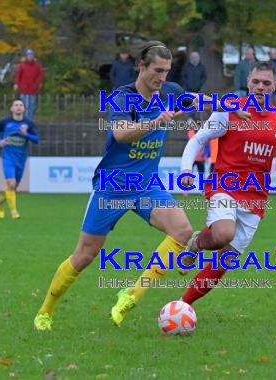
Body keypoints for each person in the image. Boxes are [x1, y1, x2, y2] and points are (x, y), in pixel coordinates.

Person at [34, 41, 196, 331]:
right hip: (112, 187)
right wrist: (156, 121)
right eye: (157, 70)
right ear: (141, 66)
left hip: (146, 185)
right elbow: (121, 135)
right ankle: (45, 311)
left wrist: (232, 109)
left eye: (167, 71)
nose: (162, 77)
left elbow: (196, 101)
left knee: (182, 231)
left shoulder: (170, 92)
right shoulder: (122, 98)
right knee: (84, 255)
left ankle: (132, 295)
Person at [177, 61, 276, 305]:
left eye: (266, 83)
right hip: (225, 185)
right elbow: (198, 139)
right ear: (248, 83)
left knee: (225, 261)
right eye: (256, 82)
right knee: (223, 233)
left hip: (256, 196)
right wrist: (185, 169)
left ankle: (182, 306)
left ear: (275, 86)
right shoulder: (229, 110)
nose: (260, 87)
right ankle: (197, 243)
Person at [0, 99, 39, 220]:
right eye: (16, 105)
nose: (18, 107)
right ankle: (14, 211)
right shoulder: (6, 121)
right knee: (11, 184)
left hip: (21, 158)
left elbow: (36, 139)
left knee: (13, 187)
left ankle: (0, 202)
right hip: (8, 157)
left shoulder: (29, 123)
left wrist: (26, 134)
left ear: (24, 109)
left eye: (21, 105)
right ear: (12, 109)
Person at [13, 49, 44, 120]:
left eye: (31, 55)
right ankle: (24, 119)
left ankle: (30, 120)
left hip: (33, 89)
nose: (30, 57)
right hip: (24, 89)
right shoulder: (22, 65)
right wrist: (16, 84)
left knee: (31, 105)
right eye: (28, 55)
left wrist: (37, 84)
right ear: (26, 56)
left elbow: (40, 76)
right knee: (24, 105)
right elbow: (18, 75)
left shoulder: (37, 66)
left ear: (33, 56)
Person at [182, 51, 207, 122]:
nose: (195, 59)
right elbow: (183, 76)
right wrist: (187, 83)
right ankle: (190, 118)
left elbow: (204, 77)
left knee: (199, 103)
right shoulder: (187, 67)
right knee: (190, 103)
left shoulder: (202, 67)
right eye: (193, 57)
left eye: (196, 57)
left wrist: (200, 83)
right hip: (189, 89)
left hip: (198, 89)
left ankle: (199, 118)